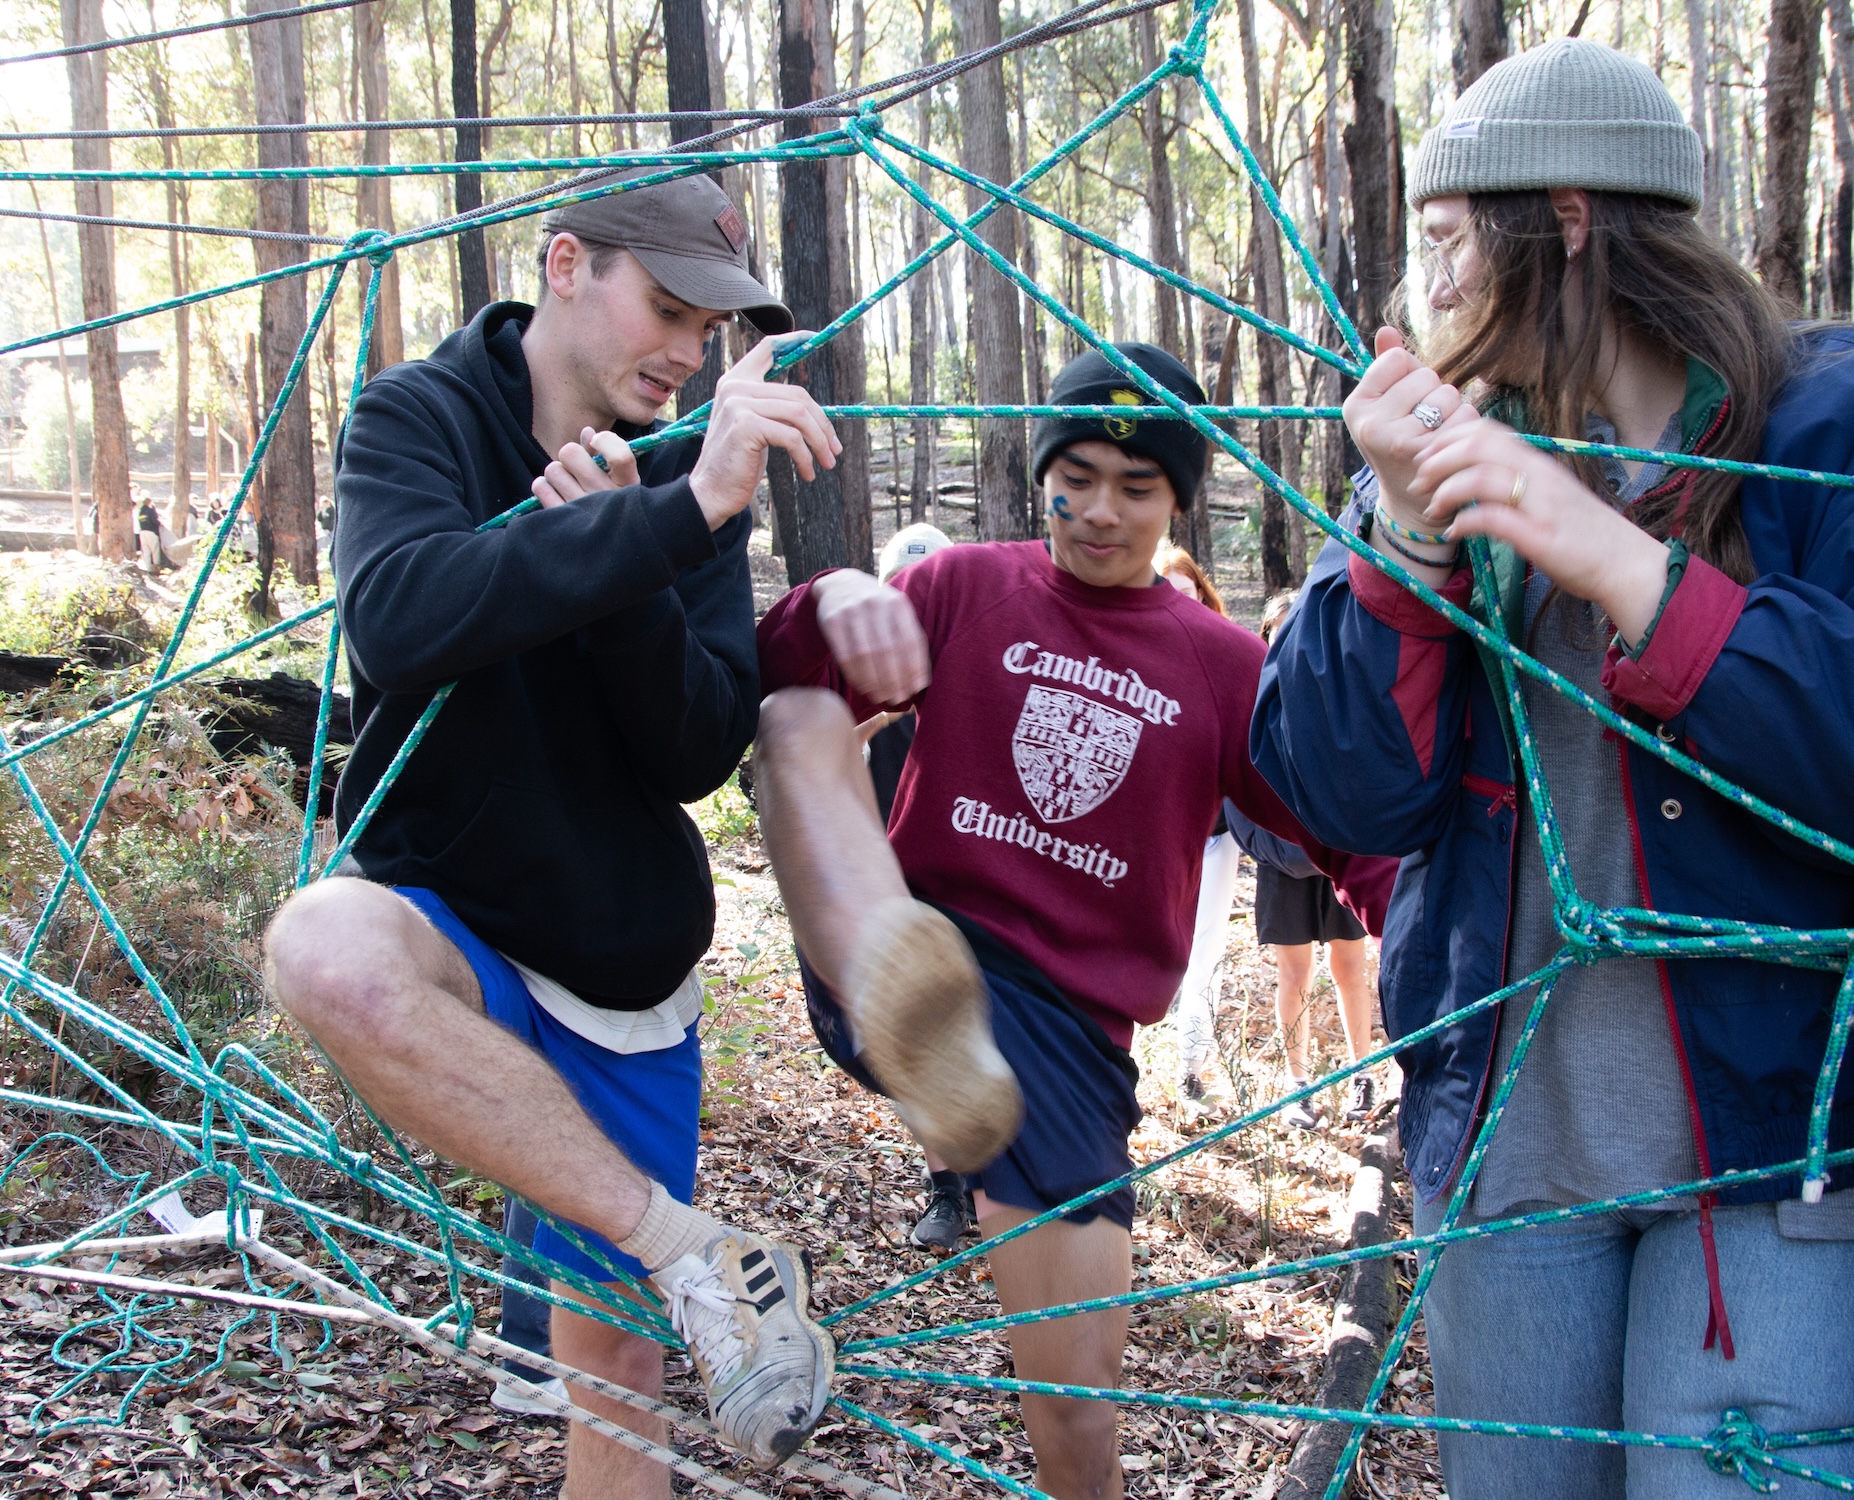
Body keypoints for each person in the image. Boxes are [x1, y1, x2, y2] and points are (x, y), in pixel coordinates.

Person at [1250, 39, 1854, 1497]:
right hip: (1511, 1153)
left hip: (1786, 1163)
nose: (1426, 284)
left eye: (1450, 238)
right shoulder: (1442, 455)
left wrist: (1614, 557)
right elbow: (1327, 799)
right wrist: (1401, 543)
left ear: (1570, 219)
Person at [261, 167, 842, 1488]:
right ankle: (688, 1247)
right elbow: (400, 617)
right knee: (325, 951)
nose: (692, 353)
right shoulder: (423, 416)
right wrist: (668, 519)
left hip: (617, 969)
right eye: (672, 308)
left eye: (713, 330)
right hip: (448, 914)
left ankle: (675, 1272)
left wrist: (656, 532)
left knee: (618, 1380)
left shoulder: (700, 473)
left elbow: (698, 743)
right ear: (567, 265)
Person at [754, 341, 1393, 1499]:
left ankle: (945, 1056)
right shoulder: (961, 587)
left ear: (1178, 499)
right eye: (1077, 476)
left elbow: (1340, 829)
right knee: (798, 718)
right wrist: (832, 597)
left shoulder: (1219, 664)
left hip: (1063, 1035)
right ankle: (890, 989)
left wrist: (1426, 959)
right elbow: (780, 664)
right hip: (912, 935)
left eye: (1136, 487)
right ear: (1042, 473)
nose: (1099, 511)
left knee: (1075, 1396)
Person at [860, 521, 980, 1255]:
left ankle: (1006, 1181)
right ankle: (948, 1189)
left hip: (977, 893)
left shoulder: (983, 677)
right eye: (901, 595)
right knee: (918, 1041)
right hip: (888, 891)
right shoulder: (857, 681)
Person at [1223, 592, 1378, 1130]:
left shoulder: (1340, 695)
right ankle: (1299, 1084)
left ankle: (1364, 1073)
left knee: (1350, 968)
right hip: (1283, 863)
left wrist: (1341, 845)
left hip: (1342, 860)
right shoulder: (1250, 701)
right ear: (1266, 639)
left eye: (1299, 631)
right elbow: (1238, 797)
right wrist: (1282, 851)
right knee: (1294, 974)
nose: (1289, 644)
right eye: (1278, 634)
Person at [1154, 545, 1241, 1113]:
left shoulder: (1226, 658)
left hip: (1216, 834)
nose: (1181, 608)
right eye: (1167, 595)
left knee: (1204, 951)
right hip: (1156, 835)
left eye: (1189, 595)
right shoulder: (1137, 658)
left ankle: (1191, 1067)